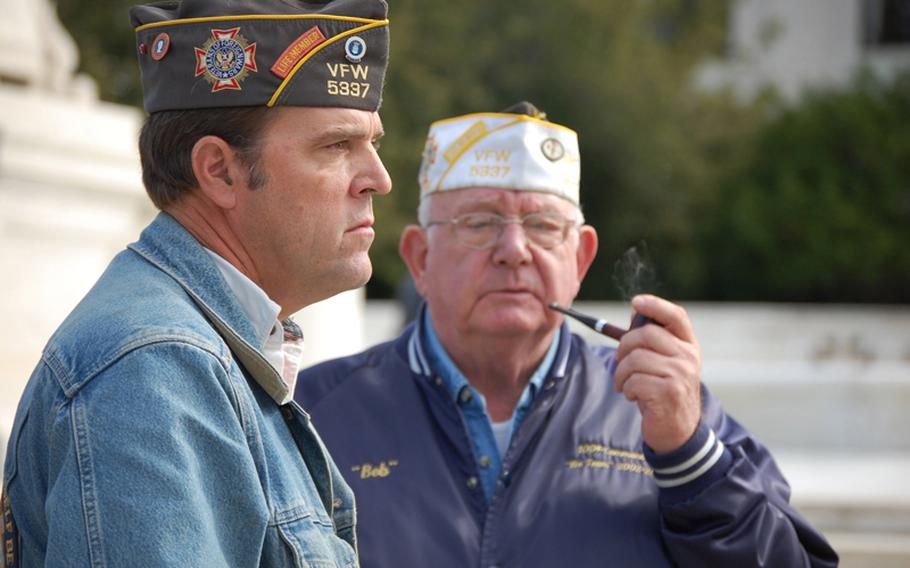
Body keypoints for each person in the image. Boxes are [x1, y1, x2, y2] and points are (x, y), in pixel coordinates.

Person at [295, 102, 839, 567]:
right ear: (420, 259)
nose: (514, 250)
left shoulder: (662, 410)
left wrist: (691, 459)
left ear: (580, 260)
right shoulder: (315, 415)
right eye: (480, 223)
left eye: (542, 226)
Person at [1, 0, 391, 565]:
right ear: (220, 171)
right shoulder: (152, 371)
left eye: (372, 143)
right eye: (336, 145)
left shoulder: (196, 353)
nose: (378, 178)